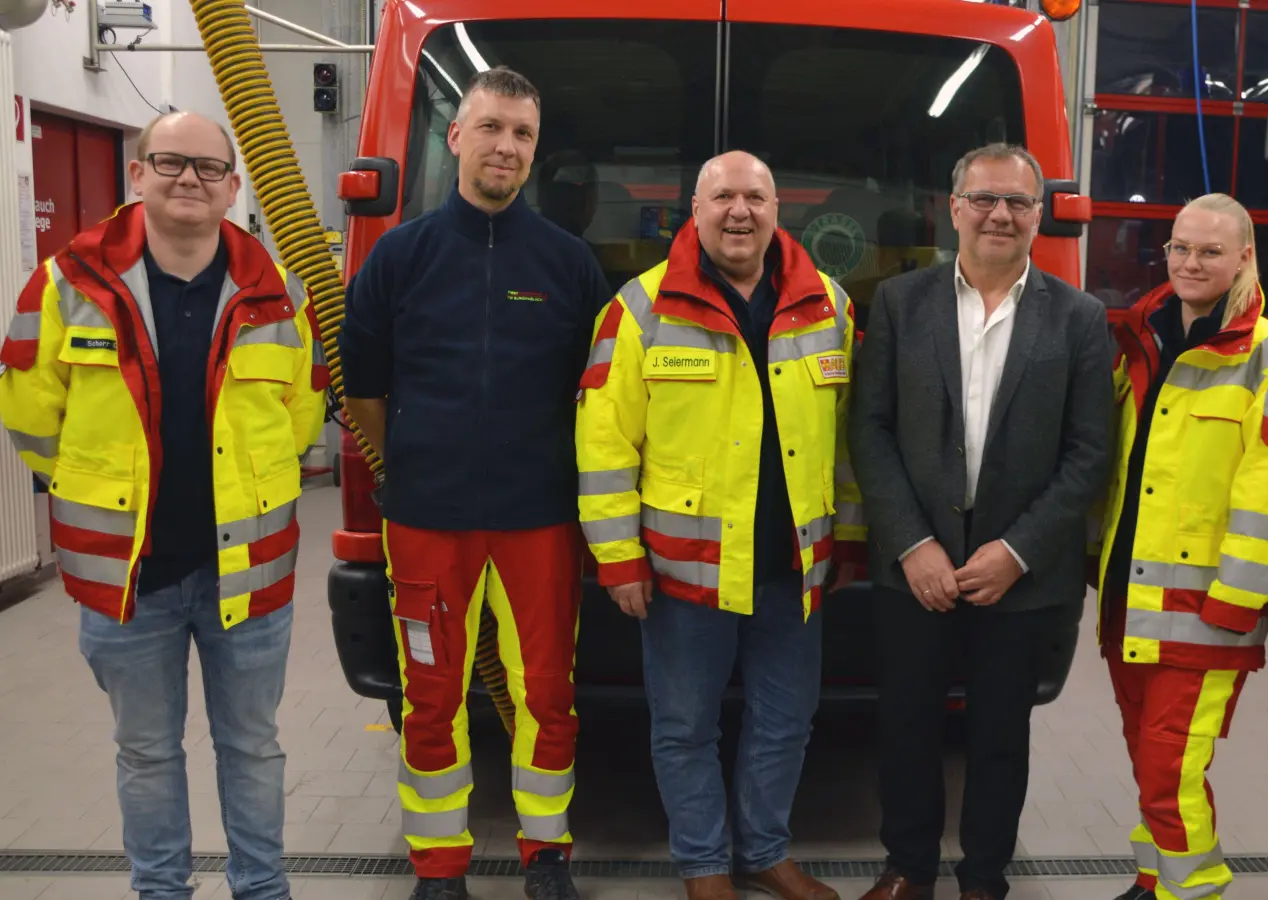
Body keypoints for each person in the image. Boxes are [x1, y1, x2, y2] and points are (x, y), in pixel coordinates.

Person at [0, 110, 325, 900]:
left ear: (233, 187)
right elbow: (30, 415)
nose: (190, 179)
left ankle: (262, 889)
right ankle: (161, 891)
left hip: (247, 571)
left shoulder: (279, 294)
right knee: (145, 752)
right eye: (172, 161)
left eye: (209, 168)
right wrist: (95, 488)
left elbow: (301, 417)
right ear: (138, 173)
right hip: (127, 578)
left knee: (253, 747)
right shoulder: (67, 283)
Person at [339, 66, 611, 900]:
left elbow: (597, 397)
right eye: (491, 127)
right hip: (427, 519)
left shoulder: (568, 264)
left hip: (541, 521)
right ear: (455, 136)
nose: (506, 146)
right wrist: (415, 462)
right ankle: (439, 866)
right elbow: (363, 390)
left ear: (536, 150)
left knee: (548, 696)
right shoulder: (400, 256)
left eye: (523, 133)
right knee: (430, 697)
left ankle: (547, 855)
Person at [574, 149, 865, 900]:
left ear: (777, 210)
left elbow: (849, 438)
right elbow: (604, 444)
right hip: (683, 570)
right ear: (696, 211)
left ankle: (765, 852)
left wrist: (852, 538)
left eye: (755, 198)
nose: (740, 212)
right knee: (684, 727)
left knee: (787, 721)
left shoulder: (830, 304)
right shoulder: (639, 308)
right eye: (724, 197)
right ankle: (704, 867)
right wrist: (618, 557)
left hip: (793, 568)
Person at [846, 142, 1113, 900]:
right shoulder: (901, 304)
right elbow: (870, 429)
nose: (1001, 214)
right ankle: (908, 868)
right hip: (916, 570)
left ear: (1039, 215)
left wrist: (1017, 551)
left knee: (1000, 737)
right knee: (906, 728)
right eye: (986, 199)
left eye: (1018, 202)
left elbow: (1090, 452)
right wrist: (911, 543)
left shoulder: (1080, 318)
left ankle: (985, 878)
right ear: (955, 208)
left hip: (1020, 579)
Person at [1093, 194, 1268, 900]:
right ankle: (1153, 880)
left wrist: (1237, 602)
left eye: (1210, 251)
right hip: (1131, 594)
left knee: (1170, 768)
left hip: (1208, 607)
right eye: (1180, 248)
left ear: (1244, 257)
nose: (1190, 263)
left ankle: (1195, 888)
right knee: (1146, 756)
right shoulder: (1143, 336)